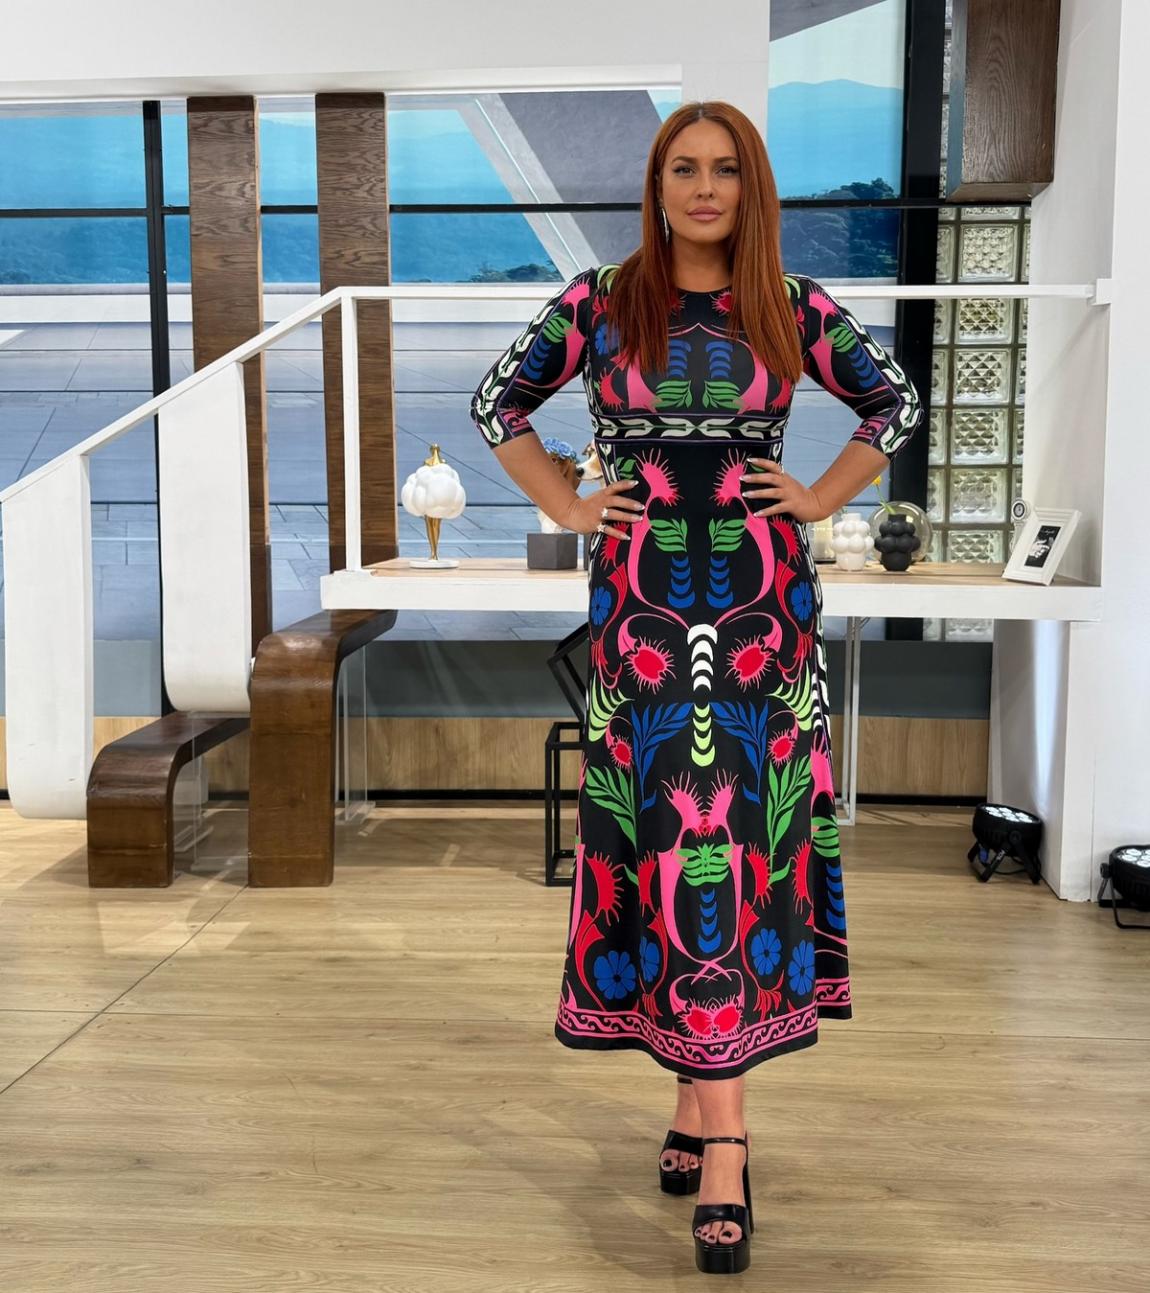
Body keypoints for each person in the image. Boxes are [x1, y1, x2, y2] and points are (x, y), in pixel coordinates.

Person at [470, 99, 923, 1275]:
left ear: (749, 186)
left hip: (765, 618)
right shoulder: (601, 301)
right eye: (684, 168)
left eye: (725, 169)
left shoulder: (790, 303)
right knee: (666, 842)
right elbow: (497, 404)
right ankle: (706, 1105)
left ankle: (718, 1133)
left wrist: (816, 498)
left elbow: (895, 402)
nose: (705, 187)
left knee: (739, 844)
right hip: (642, 614)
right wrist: (570, 505)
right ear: (657, 184)